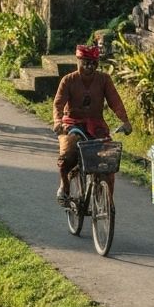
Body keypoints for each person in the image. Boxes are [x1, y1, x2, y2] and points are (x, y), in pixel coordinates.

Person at [51, 44, 132, 204]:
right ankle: (65, 185)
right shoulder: (68, 80)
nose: (89, 67)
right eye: (85, 62)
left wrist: (125, 121)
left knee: (108, 160)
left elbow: (115, 102)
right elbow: (58, 104)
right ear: (78, 61)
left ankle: (108, 201)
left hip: (96, 125)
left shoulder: (104, 80)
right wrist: (58, 121)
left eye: (93, 63)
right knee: (67, 156)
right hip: (71, 124)